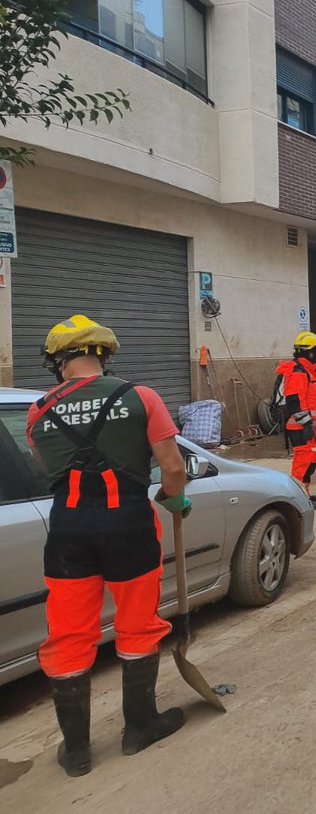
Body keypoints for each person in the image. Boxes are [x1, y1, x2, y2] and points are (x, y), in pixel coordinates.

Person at [26, 315, 190, 777]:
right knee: (137, 625)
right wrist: (175, 500)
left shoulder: (38, 411)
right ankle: (140, 728)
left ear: (59, 361)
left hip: (68, 534)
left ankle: (76, 751)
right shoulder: (141, 397)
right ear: (104, 355)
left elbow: (45, 465)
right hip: (129, 527)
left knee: (69, 634)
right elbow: (172, 467)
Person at [277, 332, 316, 509]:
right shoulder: (299, 372)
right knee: (302, 463)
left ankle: (303, 494)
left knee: (310, 464)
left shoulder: (307, 371)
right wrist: (306, 424)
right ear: (310, 352)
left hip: (309, 427)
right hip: (301, 427)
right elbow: (295, 402)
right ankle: (297, 500)